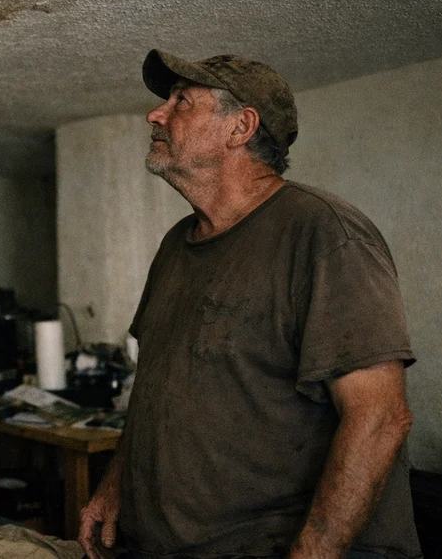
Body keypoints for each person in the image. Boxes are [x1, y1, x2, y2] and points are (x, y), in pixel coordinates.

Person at [78, 50, 420, 559]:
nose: (156, 114)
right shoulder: (177, 244)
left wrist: (311, 553)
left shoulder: (326, 233)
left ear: (240, 127)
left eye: (181, 101)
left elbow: (380, 417)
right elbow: (158, 387)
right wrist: (115, 485)